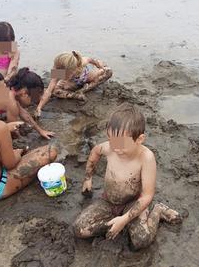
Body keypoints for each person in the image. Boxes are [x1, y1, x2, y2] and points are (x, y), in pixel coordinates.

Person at [73, 103, 183, 250]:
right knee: (79, 229)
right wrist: (88, 178)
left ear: (139, 139)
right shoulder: (111, 147)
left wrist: (125, 219)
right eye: (112, 140)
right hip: (108, 201)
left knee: (141, 241)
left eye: (122, 143)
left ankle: (158, 211)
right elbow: (95, 152)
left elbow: (147, 195)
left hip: (133, 203)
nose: (116, 147)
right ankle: (116, 223)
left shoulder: (146, 158)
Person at [35, 51, 112, 117]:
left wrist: (100, 66)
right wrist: (39, 107)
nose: (61, 72)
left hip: (87, 77)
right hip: (72, 83)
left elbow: (91, 60)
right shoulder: (59, 71)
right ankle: (75, 95)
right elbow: (49, 90)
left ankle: (85, 89)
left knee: (108, 71)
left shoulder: (81, 62)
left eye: (68, 73)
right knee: (55, 91)